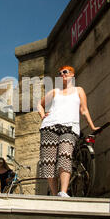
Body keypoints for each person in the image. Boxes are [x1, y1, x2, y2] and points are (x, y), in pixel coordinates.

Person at [37, 65, 100, 198]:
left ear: (72, 74)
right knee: (49, 162)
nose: (62, 75)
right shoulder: (55, 91)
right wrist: (43, 115)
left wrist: (92, 127)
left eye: (65, 72)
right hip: (49, 127)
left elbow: (84, 110)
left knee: (65, 155)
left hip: (70, 127)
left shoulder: (79, 90)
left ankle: (63, 192)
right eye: (60, 73)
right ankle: (55, 194)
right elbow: (39, 104)